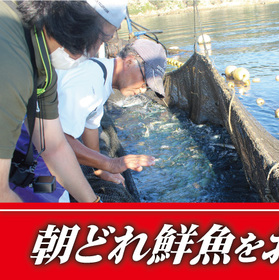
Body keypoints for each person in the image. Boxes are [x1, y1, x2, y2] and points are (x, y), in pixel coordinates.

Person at [0, 0, 127, 202]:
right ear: (79, 27)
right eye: (102, 40)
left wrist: (95, 204)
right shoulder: (13, 68)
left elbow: (55, 145)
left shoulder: (45, 67)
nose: (95, 53)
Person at [57, 38, 165, 188]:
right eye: (145, 82)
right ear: (129, 62)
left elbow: (91, 126)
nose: (142, 90)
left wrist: (101, 169)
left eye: (148, 88)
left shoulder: (100, 76)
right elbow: (58, 142)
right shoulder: (88, 83)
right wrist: (111, 163)